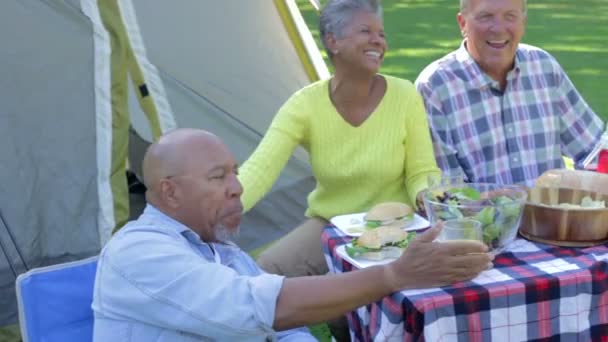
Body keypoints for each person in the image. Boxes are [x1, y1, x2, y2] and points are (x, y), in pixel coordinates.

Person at [92, 128, 492, 342]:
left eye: (234, 172)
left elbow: (285, 330)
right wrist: (394, 276)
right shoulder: (137, 252)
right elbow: (257, 308)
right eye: (219, 177)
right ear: (170, 191)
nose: (237, 187)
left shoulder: (224, 253)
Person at [238, 0, 439, 279]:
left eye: (381, 34)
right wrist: (223, 204)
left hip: (397, 223)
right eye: (366, 31)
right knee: (265, 274)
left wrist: (427, 194)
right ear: (333, 41)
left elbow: (422, 171)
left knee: (353, 296)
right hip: (329, 224)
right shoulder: (304, 105)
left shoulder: (405, 96)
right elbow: (260, 169)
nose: (378, 41)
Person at [415, 0, 605, 187]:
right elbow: (446, 193)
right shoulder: (435, 88)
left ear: (523, 22)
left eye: (510, 17)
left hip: (554, 216)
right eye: (485, 16)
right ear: (463, 24)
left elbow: (593, 152)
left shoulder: (544, 68)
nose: (498, 28)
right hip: (482, 218)